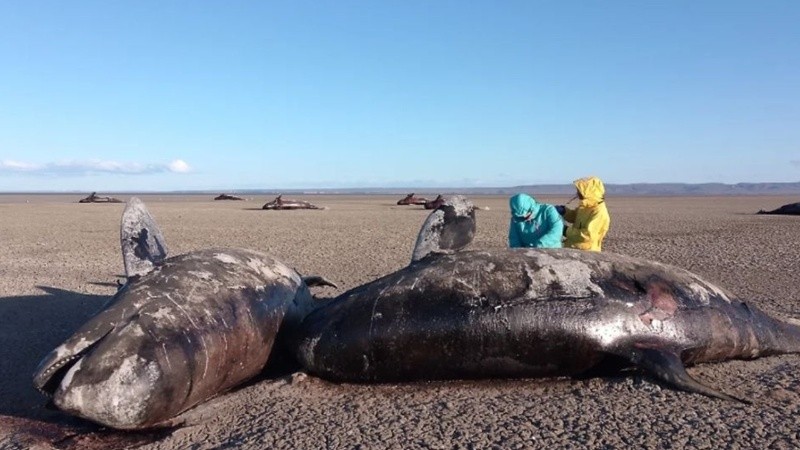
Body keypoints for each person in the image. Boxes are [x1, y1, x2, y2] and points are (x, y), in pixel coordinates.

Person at [556, 176, 610, 251]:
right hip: (573, 247)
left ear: (589, 192)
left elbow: (587, 235)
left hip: (586, 252)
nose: (577, 193)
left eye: (580, 191)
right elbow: (575, 216)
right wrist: (564, 211)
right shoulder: (587, 206)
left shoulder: (599, 213)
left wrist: (565, 230)